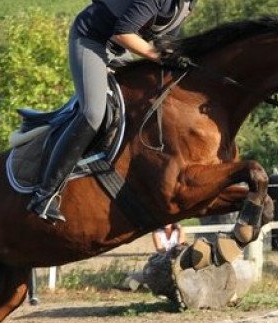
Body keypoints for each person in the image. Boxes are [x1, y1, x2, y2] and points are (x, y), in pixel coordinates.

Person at [27, 0, 199, 222]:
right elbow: (123, 33)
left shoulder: (186, 4)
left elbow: (162, 40)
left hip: (119, 50)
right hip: (91, 39)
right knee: (93, 113)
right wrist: (163, 57)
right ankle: (44, 194)